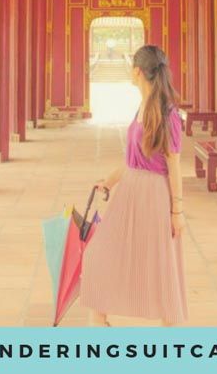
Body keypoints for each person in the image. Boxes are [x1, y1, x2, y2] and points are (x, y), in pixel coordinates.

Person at [78, 44, 188, 327]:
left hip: (154, 195)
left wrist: (177, 211)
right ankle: (99, 323)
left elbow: (173, 163)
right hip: (129, 191)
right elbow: (134, 161)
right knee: (98, 254)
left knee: (159, 262)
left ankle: (169, 328)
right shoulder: (143, 107)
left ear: (137, 71)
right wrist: (109, 181)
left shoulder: (168, 113)